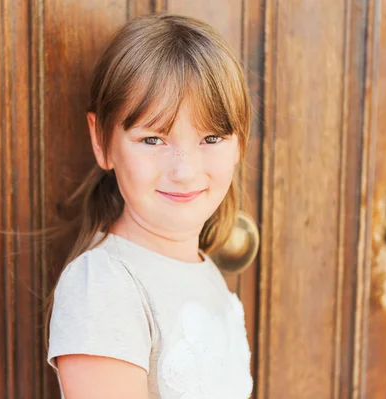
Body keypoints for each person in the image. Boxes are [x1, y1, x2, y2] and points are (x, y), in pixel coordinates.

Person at [45, 13, 253, 399]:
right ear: (101, 140)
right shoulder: (104, 285)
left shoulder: (202, 270)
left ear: (239, 142)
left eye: (211, 137)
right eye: (153, 140)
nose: (186, 172)